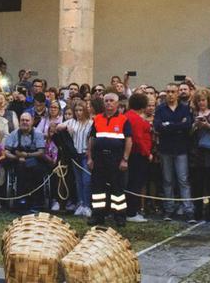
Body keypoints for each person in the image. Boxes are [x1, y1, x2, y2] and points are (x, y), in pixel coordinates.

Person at [87, 93, 133, 227]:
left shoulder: (124, 120)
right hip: (99, 158)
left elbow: (129, 141)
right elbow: (91, 139)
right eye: (106, 101)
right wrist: (89, 157)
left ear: (117, 104)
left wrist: (125, 159)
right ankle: (97, 216)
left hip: (116, 158)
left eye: (111, 101)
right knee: (97, 189)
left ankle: (119, 216)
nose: (108, 103)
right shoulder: (97, 119)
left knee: (117, 189)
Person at [154, 83, 195, 222]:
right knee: (167, 180)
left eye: (173, 91)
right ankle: (169, 209)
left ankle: (188, 210)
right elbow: (158, 126)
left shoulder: (184, 109)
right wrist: (177, 126)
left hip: (181, 149)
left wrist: (169, 125)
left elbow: (187, 125)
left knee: (183, 180)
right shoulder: (160, 109)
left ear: (178, 93)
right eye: (168, 91)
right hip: (165, 149)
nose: (170, 94)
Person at [189, 88, 210, 222]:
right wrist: (196, 126)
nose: (201, 103)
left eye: (203, 100)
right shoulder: (193, 112)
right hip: (196, 152)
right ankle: (197, 211)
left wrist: (208, 125)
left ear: (208, 100)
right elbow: (188, 133)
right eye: (198, 101)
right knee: (197, 184)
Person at [4, 112, 47, 212]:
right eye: (22, 120)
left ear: (32, 122)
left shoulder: (38, 134)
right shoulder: (13, 134)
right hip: (18, 160)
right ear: (19, 122)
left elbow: (41, 152)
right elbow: (6, 152)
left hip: (34, 159)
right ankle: (21, 201)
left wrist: (26, 155)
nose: (25, 122)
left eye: (27, 120)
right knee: (20, 170)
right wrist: (17, 157)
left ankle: (37, 202)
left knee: (37, 170)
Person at [58, 99, 93, 217]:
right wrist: (65, 128)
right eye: (76, 110)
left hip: (85, 154)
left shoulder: (90, 123)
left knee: (86, 180)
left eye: (81, 110)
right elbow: (58, 127)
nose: (78, 112)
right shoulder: (71, 122)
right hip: (75, 155)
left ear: (85, 111)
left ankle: (87, 205)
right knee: (78, 181)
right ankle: (81, 203)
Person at [125, 93, 153, 222]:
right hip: (138, 155)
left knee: (133, 183)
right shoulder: (134, 118)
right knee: (135, 183)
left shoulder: (129, 116)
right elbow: (138, 138)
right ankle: (131, 212)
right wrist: (148, 153)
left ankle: (131, 210)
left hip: (135, 154)